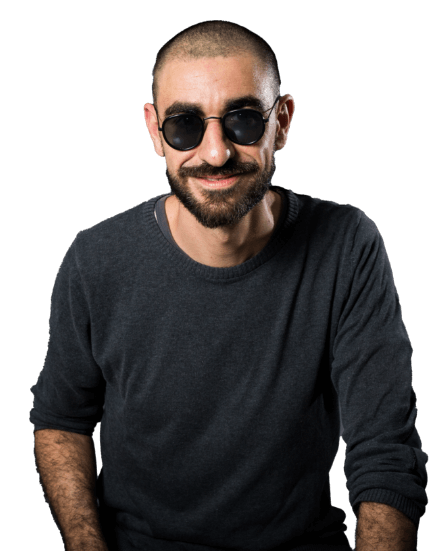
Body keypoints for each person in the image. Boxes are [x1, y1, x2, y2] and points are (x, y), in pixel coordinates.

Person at [30, 20, 427, 551]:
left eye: (243, 120)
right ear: (154, 132)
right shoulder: (95, 258)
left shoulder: (347, 245)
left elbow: (386, 449)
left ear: (281, 121)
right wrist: (86, 545)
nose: (216, 153)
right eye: (184, 125)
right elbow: (61, 420)